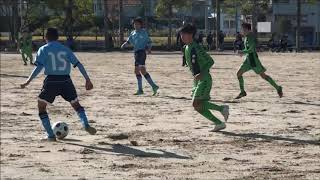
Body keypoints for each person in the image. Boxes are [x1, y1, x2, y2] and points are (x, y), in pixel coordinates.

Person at [20, 28, 96, 141]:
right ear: (57, 37)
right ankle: (85, 124)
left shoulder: (43, 49)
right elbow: (78, 64)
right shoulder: (65, 49)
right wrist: (87, 80)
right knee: (76, 105)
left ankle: (51, 135)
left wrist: (28, 81)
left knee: (41, 107)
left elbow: (39, 67)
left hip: (51, 81)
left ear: (45, 38)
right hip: (66, 81)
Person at [180, 24, 229, 132]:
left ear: (191, 35)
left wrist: (201, 73)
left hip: (204, 79)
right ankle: (218, 123)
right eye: (181, 34)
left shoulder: (197, 47)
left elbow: (211, 61)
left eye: (184, 34)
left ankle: (222, 108)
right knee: (198, 106)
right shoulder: (186, 48)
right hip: (197, 80)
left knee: (195, 103)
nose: (182, 37)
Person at [235, 23, 283, 99]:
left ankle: (278, 88)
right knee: (238, 74)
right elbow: (248, 49)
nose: (242, 31)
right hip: (248, 60)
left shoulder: (250, 37)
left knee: (263, 76)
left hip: (254, 61)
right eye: (242, 29)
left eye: (244, 29)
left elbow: (251, 49)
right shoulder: (246, 37)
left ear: (248, 29)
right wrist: (242, 52)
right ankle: (242, 92)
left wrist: (242, 52)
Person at [121, 17, 159, 96]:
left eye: (138, 24)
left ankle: (141, 89)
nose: (136, 25)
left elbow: (149, 41)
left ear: (141, 25)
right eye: (135, 24)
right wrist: (124, 44)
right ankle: (153, 86)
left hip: (141, 53)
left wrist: (149, 49)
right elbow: (129, 40)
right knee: (141, 71)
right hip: (136, 53)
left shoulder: (143, 32)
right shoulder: (133, 33)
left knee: (137, 70)